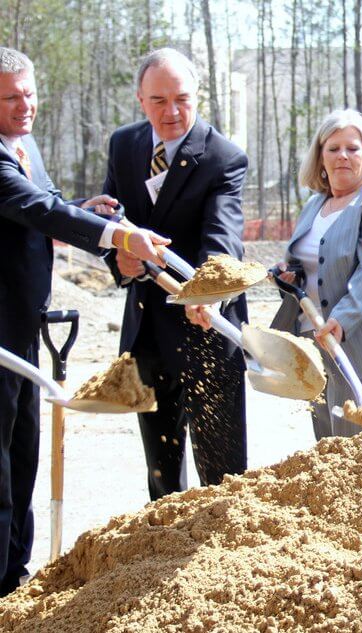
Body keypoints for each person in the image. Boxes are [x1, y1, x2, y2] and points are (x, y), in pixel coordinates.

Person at [0, 47, 167, 595]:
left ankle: (14, 573)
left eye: (30, 94)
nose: (25, 106)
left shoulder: (24, 147)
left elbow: (47, 205)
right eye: (10, 98)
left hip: (23, 329)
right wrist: (119, 236)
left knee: (23, 453)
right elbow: (35, 210)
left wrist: (86, 210)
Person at [102, 48, 249, 501]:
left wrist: (209, 290)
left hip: (205, 328)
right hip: (147, 330)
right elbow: (112, 219)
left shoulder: (223, 158)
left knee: (221, 473)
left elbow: (222, 238)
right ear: (140, 100)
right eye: (159, 101)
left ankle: (222, 557)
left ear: (197, 96)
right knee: (162, 474)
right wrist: (119, 261)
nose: (172, 112)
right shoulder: (124, 146)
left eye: (182, 99)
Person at [270, 110, 362, 438]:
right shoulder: (314, 205)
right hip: (315, 343)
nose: (343, 156)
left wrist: (343, 319)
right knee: (328, 450)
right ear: (320, 156)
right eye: (333, 148)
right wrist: (288, 275)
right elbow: (308, 265)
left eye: (353, 148)